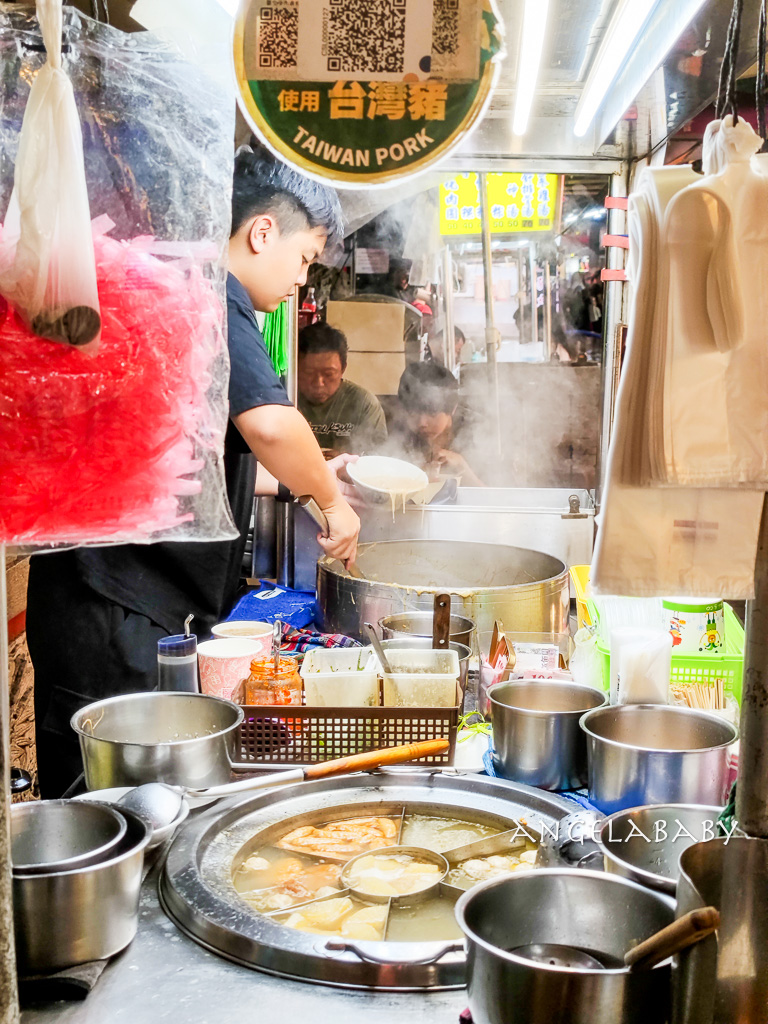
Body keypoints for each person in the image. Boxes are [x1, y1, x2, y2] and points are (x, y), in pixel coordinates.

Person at [26, 148, 361, 798]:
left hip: (120, 599)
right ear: (263, 232)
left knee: (136, 795)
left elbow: (188, 460)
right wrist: (332, 503)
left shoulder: (196, 295)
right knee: (113, 803)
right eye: (304, 259)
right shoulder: (210, 293)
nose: (302, 280)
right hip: (111, 602)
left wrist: (305, 478)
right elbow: (269, 425)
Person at [297, 321, 387, 454]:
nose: (318, 382)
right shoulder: (285, 396)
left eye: (328, 374)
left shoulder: (364, 404)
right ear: (296, 367)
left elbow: (378, 458)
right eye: (309, 372)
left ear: (343, 368)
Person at [388, 361, 484, 487]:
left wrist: (462, 466)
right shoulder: (400, 434)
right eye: (413, 413)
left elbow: (498, 499)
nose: (422, 423)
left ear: (452, 408)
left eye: (432, 413)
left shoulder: (476, 431)